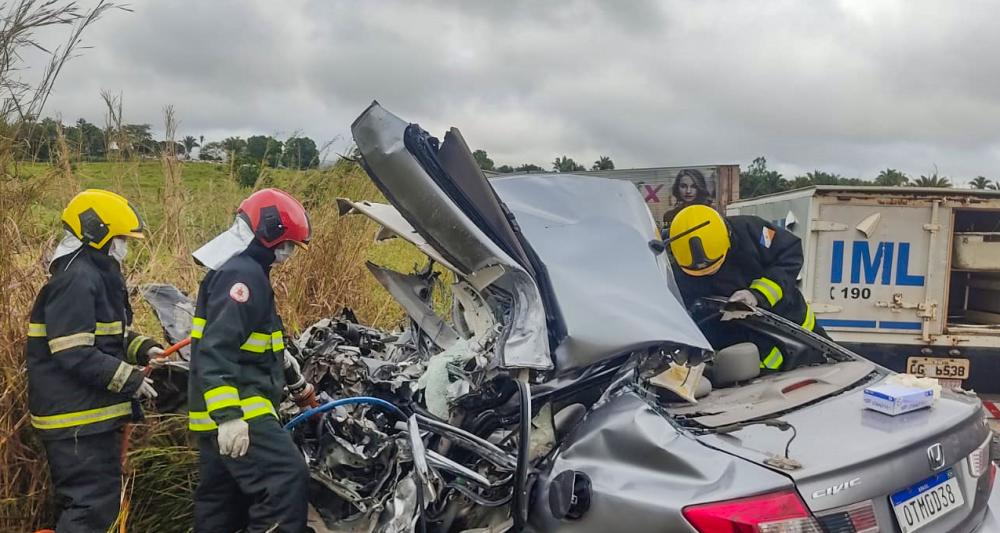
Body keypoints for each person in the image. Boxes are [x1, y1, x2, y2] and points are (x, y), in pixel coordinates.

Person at [26, 189, 163, 532]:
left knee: (95, 504)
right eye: (120, 239)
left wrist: (145, 349)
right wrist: (130, 379)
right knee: (90, 508)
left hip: (86, 418)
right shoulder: (76, 279)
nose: (123, 247)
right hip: (75, 420)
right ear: (97, 233)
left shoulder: (93, 273)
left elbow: (108, 335)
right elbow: (73, 351)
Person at [187, 188, 311, 533]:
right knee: (286, 479)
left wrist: (291, 373)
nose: (287, 253)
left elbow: (253, 341)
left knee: (221, 507)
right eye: (287, 244)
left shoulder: (240, 270)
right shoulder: (243, 276)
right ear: (269, 231)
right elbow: (217, 350)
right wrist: (229, 417)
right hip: (240, 410)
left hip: (215, 414)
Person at [667, 204, 826, 371]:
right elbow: (684, 312)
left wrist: (757, 294)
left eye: (716, 266)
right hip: (744, 356)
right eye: (699, 273)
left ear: (727, 239)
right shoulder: (677, 270)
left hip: (798, 332)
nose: (709, 273)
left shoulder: (752, 232)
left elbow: (789, 252)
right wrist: (687, 341)